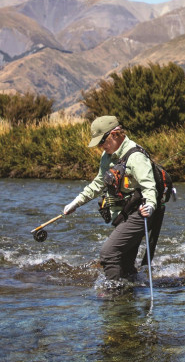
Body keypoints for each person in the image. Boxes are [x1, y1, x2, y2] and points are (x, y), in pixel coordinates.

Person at [62, 115, 161, 283]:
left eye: (102, 141)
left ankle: (113, 293)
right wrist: (76, 202)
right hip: (124, 213)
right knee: (124, 264)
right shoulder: (106, 156)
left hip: (141, 212)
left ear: (115, 134)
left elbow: (149, 187)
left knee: (108, 253)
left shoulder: (136, 156)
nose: (101, 146)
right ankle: (128, 295)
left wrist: (151, 205)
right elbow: (98, 183)